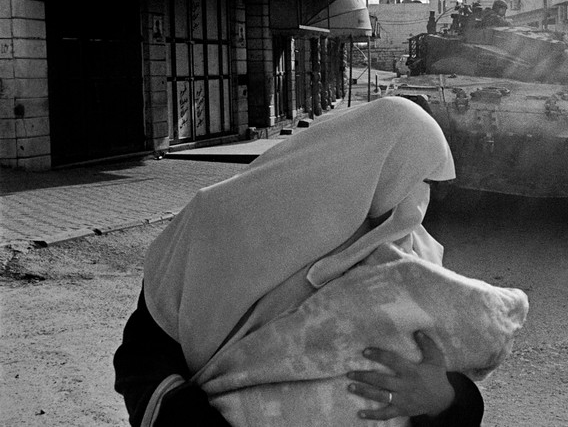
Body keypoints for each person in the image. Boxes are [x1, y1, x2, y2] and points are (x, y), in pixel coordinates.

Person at [114, 97, 528, 427]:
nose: (419, 200)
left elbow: (432, 371)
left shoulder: (408, 249)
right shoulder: (221, 218)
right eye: (416, 179)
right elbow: (143, 358)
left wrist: (446, 400)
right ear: (370, 164)